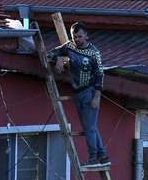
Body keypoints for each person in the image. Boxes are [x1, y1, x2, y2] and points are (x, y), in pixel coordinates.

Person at [47, 22, 110, 167]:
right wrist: (59, 59)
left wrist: (97, 96)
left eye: (80, 36)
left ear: (86, 35)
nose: (77, 39)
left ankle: (93, 157)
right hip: (77, 92)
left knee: (89, 127)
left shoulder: (94, 53)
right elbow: (51, 52)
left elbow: (100, 74)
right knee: (90, 126)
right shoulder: (69, 47)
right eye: (74, 36)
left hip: (90, 92)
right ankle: (103, 156)